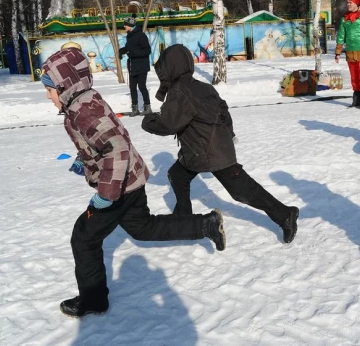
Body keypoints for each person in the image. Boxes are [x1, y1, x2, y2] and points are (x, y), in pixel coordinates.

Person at [40, 46, 226, 318]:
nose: (48, 96)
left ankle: (93, 299)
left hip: (118, 188)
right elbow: (109, 137)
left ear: (65, 85)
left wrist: (105, 195)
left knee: (84, 237)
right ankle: (205, 224)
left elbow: (116, 149)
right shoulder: (84, 101)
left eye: (50, 89)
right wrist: (86, 159)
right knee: (143, 228)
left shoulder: (83, 110)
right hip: (131, 179)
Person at [141, 44, 299, 243]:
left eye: (162, 70)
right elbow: (223, 109)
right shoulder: (201, 86)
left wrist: (148, 120)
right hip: (201, 150)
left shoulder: (180, 91)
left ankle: (285, 214)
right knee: (177, 174)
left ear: (171, 68)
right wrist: (228, 134)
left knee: (242, 191)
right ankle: (184, 218)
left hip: (210, 152)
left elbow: (169, 124)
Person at [119, 16, 152, 117]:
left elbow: (147, 50)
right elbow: (129, 48)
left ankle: (147, 107)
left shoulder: (141, 35)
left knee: (142, 86)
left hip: (141, 65)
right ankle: (135, 108)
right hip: (133, 65)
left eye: (125, 24)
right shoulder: (130, 35)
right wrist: (122, 51)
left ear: (130, 25)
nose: (124, 26)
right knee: (132, 87)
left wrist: (132, 53)